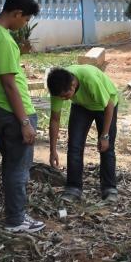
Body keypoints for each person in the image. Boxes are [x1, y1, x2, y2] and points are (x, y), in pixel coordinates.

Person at [0, 0, 45, 232]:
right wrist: (25, 122)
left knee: (11, 163)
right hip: (15, 112)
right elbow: (9, 84)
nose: (24, 25)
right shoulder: (3, 39)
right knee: (19, 167)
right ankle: (16, 220)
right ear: (16, 13)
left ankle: (15, 213)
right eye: (25, 19)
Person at [47, 65, 118, 203]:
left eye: (66, 96)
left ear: (73, 84)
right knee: (74, 146)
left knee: (106, 148)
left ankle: (109, 188)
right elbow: (55, 119)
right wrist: (52, 150)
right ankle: (73, 188)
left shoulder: (89, 80)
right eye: (61, 98)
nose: (64, 100)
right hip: (81, 106)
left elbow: (108, 105)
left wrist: (104, 135)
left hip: (105, 106)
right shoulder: (58, 88)